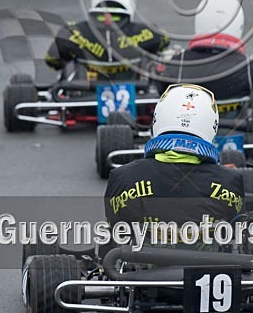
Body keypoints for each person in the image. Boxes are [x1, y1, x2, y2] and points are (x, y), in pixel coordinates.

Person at [104, 84, 244, 227]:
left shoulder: (122, 178)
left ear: (158, 118)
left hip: (141, 249)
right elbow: (234, 234)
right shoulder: (231, 181)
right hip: (206, 249)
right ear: (212, 125)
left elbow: (114, 234)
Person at [44, 0, 170, 81]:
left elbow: (52, 60)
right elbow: (165, 41)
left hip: (84, 101)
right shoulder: (148, 33)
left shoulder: (72, 32)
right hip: (137, 101)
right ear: (130, 1)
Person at [155, 0, 253, 105]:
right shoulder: (249, 68)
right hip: (234, 124)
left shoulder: (178, 64)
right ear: (238, 25)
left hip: (189, 123)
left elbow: (161, 94)